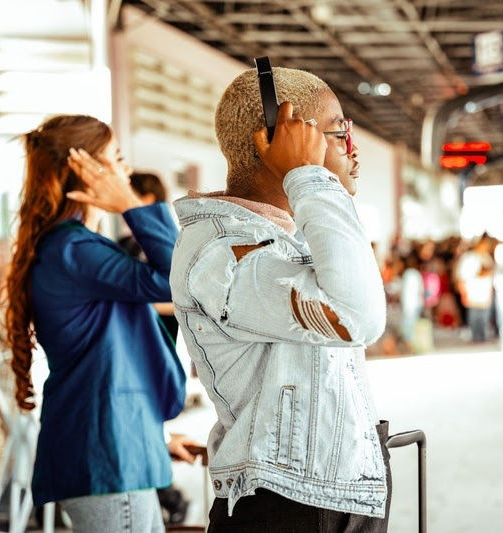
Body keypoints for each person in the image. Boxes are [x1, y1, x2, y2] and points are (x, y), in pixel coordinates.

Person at [170, 66, 391, 531]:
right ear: (278, 139)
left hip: (331, 496)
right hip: (285, 507)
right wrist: (309, 177)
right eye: (338, 132)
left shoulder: (283, 241)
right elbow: (358, 315)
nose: (352, 150)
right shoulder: (222, 254)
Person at [2, 114, 200, 533]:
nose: (124, 172)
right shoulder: (73, 250)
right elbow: (178, 280)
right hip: (107, 457)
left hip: (113, 450)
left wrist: (154, 437)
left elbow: (109, 362)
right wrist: (130, 204)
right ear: (84, 170)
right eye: (116, 159)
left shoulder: (77, 248)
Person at [117, 171, 180, 342]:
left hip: (161, 334)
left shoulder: (172, 243)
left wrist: (146, 305)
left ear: (148, 199)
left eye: (130, 196)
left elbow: (185, 299)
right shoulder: (125, 243)